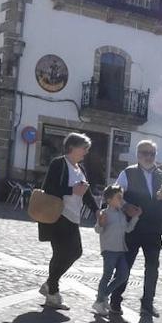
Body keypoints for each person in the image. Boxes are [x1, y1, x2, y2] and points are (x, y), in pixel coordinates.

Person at [111, 140, 162, 317]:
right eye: (144, 153)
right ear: (138, 154)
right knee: (125, 266)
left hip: (154, 229)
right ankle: (115, 300)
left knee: (153, 267)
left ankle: (147, 303)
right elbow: (114, 195)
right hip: (132, 228)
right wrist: (125, 206)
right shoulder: (127, 173)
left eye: (152, 154)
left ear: (155, 156)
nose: (148, 156)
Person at [39, 132, 98, 309]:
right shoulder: (59, 164)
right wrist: (72, 190)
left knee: (75, 252)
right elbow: (48, 188)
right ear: (72, 147)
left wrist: (97, 211)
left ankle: (50, 284)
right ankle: (52, 293)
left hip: (73, 217)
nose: (86, 152)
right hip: (57, 215)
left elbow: (86, 193)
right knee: (61, 253)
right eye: (84, 148)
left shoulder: (81, 169)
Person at [92, 184, 140, 316]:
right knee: (107, 275)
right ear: (109, 200)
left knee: (123, 275)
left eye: (122, 198)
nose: (121, 200)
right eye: (119, 198)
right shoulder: (105, 213)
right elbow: (98, 229)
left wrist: (136, 217)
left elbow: (128, 229)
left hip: (121, 250)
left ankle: (103, 296)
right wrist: (100, 223)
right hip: (109, 250)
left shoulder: (121, 214)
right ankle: (99, 301)